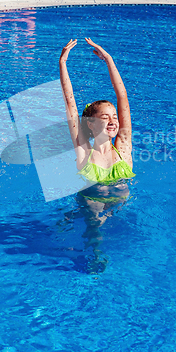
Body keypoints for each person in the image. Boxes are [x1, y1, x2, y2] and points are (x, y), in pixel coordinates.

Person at [59, 37, 135, 219]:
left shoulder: (123, 149)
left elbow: (122, 96)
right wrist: (62, 63)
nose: (113, 121)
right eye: (105, 117)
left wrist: (108, 60)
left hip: (119, 209)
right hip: (91, 209)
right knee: (95, 218)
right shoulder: (84, 153)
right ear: (90, 124)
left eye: (115, 117)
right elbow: (70, 104)